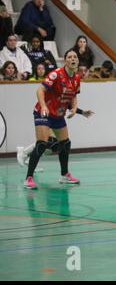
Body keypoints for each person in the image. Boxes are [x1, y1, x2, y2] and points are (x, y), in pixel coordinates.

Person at [23, 49, 84, 189]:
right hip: (43, 112)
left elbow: (74, 95)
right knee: (42, 143)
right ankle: (29, 178)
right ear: (65, 60)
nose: (73, 59)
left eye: (75, 57)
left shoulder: (77, 77)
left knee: (65, 143)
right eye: (69, 57)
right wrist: (43, 106)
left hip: (58, 114)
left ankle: (64, 175)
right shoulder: (56, 74)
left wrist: (75, 108)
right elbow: (40, 90)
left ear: (77, 61)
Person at [17, 108, 94, 169]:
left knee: (54, 147)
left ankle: (30, 159)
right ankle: (23, 152)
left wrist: (82, 112)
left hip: (56, 118)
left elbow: (69, 105)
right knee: (49, 142)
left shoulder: (64, 97)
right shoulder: (54, 94)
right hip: (46, 116)